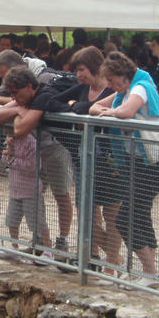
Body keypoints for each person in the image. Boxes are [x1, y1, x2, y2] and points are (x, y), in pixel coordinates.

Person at [0, 51, 76, 256]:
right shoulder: (21, 92)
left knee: (61, 194)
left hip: (55, 146)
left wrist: (13, 108)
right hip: (36, 149)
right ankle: (41, 243)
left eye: (15, 93)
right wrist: (18, 108)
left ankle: (63, 241)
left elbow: (20, 129)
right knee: (34, 196)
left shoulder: (42, 86)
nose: (13, 96)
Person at [89, 51, 159, 281]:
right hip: (137, 162)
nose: (110, 86)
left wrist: (110, 114)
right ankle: (147, 271)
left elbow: (126, 112)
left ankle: (151, 273)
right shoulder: (122, 92)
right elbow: (94, 107)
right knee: (141, 214)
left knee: (126, 218)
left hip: (154, 162)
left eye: (112, 81)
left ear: (122, 76)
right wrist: (108, 111)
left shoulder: (140, 87)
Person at [50, 46, 122, 268]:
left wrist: (76, 107)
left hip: (109, 161)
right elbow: (54, 102)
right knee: (87, 213)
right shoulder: (81, 88)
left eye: (81, 69)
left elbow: (89, 108)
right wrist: (77, 107)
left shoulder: (112, 91)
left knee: (111, 214)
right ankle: (99, 257)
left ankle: (112, 262)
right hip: (84, 157)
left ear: (94, 67)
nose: (78, 75)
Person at [0, 128, 52, 259]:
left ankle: (48, 250)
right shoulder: (10, 142)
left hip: (30, 191)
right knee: (11, 221)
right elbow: (4, 159)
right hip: (15, 190)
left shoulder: (31, 143)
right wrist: (9, 153)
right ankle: (14, 248)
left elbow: (33, 166)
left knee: (38, 223)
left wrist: (12, 161)